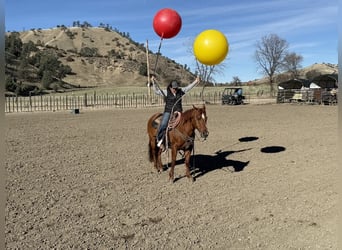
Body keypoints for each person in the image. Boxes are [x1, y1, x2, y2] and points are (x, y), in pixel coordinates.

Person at [151, 75, 200, 148]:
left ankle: (188, 139)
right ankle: (160, 139)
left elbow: (188, 87)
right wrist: (153, 82)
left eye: (176, 88)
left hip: (179, 112)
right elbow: (156, 92)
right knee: (164, 124)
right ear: (170, 87)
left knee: (188, 123)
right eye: (174, 88)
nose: (175, 90)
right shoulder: (166, 92)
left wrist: (196, 81)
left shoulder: (181, 91)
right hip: (168, 111)